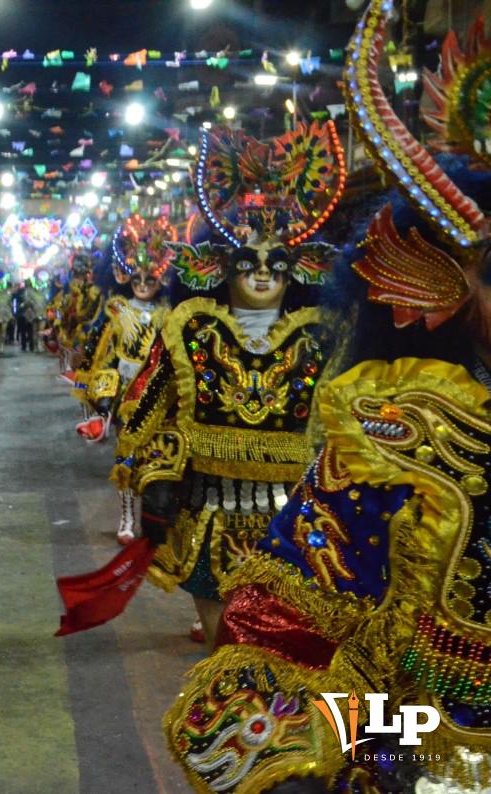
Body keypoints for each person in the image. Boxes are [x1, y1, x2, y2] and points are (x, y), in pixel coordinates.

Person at [166, 4, 491, 789]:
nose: (266, 273)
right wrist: (412, 739)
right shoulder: (392, 440)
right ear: (433, 287)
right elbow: (283, 646)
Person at [111, 119, 346, 647]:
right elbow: (148, 415)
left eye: (276, 265)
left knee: (284, 659)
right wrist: (156, 484)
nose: (263, 274)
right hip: (212, 513)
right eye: (249, 263)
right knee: (224, 649)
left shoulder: (321, 338)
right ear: (219, 267)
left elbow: (344, 426)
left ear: (298, 271)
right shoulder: (191, 328)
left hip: (296, 524)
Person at [73, 216, 174, 543]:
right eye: (137, 277)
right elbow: (99, 347)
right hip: (128, 394)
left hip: (162, 392)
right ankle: (127, 517)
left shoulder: (172, 312)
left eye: (151, 277)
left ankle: (155, 516)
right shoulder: (116, 309)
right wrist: (99, 396)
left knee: (158, 457)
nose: (144, 283)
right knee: (127, 456)